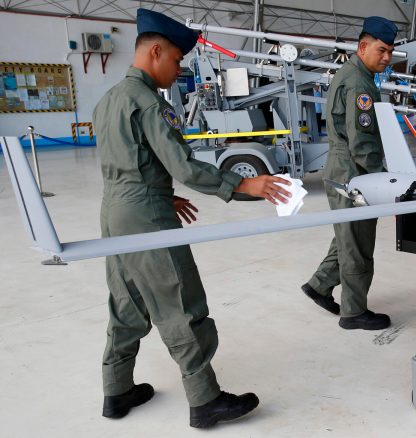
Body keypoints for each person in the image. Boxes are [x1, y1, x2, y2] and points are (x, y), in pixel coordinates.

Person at [93, 8, 291, 428]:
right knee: (179, 303)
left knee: (127, 303)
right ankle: (205, 401)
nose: (179, 68)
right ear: (156, 51)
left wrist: (160, 194)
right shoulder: (149, 102)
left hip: (115, 213)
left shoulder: (109, 100)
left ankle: (116, 390)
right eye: (176, 59)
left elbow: (130, 163)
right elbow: (183, 165)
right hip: (146, 218)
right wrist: (244, 184)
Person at [300, 16, 398, 330]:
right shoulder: (359, 83)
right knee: (357, 243)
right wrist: (386, 180)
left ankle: (319, 285)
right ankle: (353, 312)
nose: (387, 57)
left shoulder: (355, 74)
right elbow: (362, 143)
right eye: (382, 50)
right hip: (353, 172)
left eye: (390, 52)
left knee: (348, 235)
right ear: (363, 47)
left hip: (344, 167)